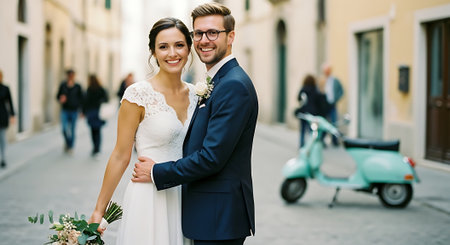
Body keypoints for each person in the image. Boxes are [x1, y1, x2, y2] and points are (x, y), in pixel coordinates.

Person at [132, 3, 258, 245]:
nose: (204, 40)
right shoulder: (218, 80)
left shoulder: (233, 85)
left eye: (213, 33)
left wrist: (157, 171)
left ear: (231, 36)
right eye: (198, 33)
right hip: (205, 214)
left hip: (218, 218)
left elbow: (212, 157)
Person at [89, 17, 197, 245]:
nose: (172, 53)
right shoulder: (137, 95)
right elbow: (120, 155)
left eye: (179, 45)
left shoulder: (198, 95)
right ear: (153, 51)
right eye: (163, 47)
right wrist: (99, 210)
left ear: (189, 48)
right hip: (149, 197)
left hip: (187, 197)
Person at [56, 69, 84, 154]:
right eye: (69, 75)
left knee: (72, 130)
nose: (71, 77)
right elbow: (57, 96)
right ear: (67, 76)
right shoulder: (63, 85)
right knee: (64, 129)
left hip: (74, 111)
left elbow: (82, 99)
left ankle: (71, 146)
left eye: (72, 75)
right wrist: (61, 99)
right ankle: (68, 143)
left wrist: (82, 111)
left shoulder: (78, 86)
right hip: (65, 110)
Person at [296, 74, 327, 148]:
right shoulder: (315, 90)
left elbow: (299, 99)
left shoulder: (303, 89)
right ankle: (311, 145)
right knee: (311, 130)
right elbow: (318, 102)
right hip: (312, 113)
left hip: (304, 112)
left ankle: (301, 144)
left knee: (303, 130)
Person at [82, 74, 109, 157]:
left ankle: (95, 148)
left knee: (94, 131)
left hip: (93, 113)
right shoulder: (100, 89)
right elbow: (106, 99)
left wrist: (84, 112)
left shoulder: (90, 89)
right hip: (97, 113)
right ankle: (97, 148)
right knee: (97, 131)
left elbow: (85, 102)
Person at [322, 63, 343, 147]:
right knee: (324, 123)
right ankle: (322, 139)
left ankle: (335, 140)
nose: (326, 72)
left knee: (334, 122)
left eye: (327, 71)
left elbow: (341, 91)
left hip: (332, 104)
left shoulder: (335, 80)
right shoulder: (322, 80)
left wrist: (336, 98)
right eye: (325, 71)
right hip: (324, 105)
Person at [0, 70, 15, 168]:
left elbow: (10, 102)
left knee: (2, 138)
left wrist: (12, 115)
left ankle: (3, 158)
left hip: (2, 115)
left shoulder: (5, 88)